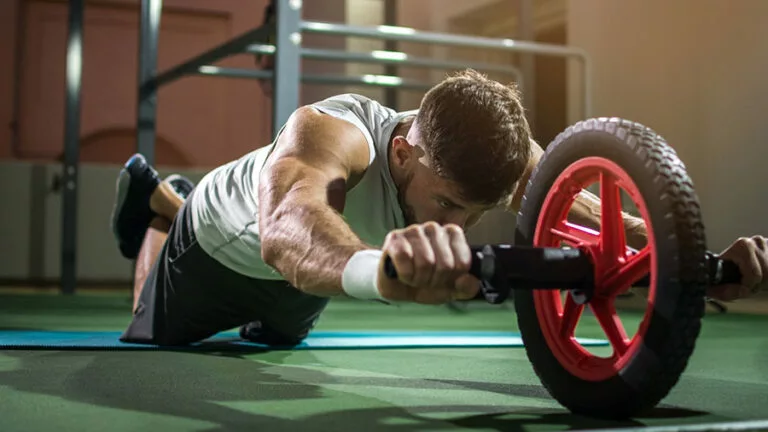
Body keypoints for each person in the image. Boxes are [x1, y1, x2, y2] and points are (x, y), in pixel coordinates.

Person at [110, 69, 768, 347]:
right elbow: (287, 231)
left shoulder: (500, 159)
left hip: (313, 273)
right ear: (402, 153)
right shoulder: (334, 132)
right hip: (223, 244)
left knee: (277, 340)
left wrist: (701, 261)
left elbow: (607, 223)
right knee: (151, 336)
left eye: (475, 211)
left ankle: (172, 205)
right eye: (448, 203)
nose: (457, 229)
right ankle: (160, 207)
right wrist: (382, 275)